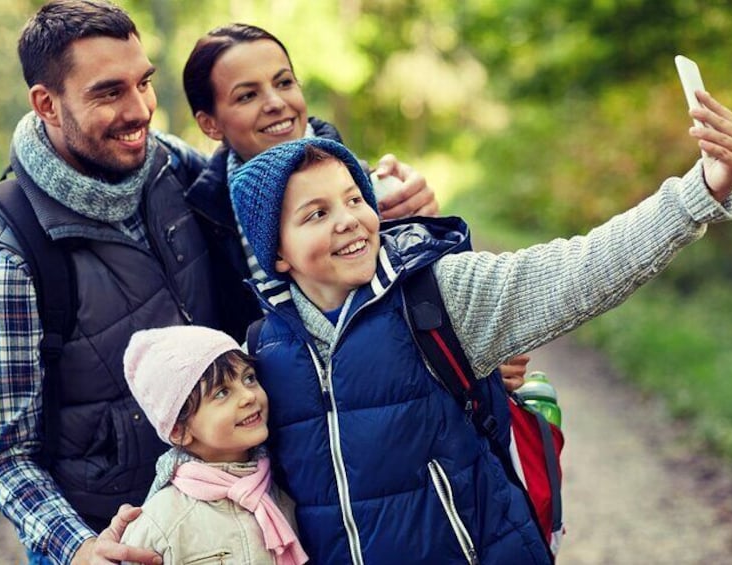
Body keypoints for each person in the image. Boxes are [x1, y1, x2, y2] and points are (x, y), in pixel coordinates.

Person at [0, 3, 437, 564]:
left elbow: (269, 173)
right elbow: (6, 457)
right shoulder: (2, 260)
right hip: (126, 543)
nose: (140, 111)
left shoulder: (165, 166)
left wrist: (385, 199)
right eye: (110, 92)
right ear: (47, 105)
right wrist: (78, 548)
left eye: (145, 82)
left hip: (248, 509)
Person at [216, 92, 732, 563]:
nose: (349, 220)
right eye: (316, 214)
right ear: (277, 254)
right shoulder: (264, 352)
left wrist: (698, 192)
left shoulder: (437, 294)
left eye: (355, 199)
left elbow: (580, 270)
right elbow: (213, 458)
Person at [179, 22, 529, 382]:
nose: (276, 103)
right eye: (247, 95)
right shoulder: (202, 219)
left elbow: (445, 303)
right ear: (210, 124)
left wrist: (476, 350)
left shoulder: (375, 190)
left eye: (284, 82)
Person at [120, 325, 307, 564]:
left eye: (249, 378)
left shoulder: (280, 493)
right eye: (221, 393)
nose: (248, 396)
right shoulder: (161, 521)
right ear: (179, 431)